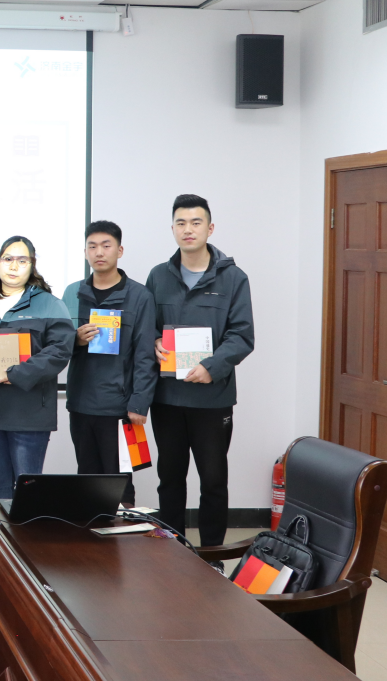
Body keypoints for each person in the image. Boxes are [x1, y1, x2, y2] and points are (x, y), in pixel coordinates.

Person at [146, 194, 254, 547]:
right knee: (170, 478)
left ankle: (212, 556)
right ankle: (172, 552)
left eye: (196, 222)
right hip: (168, 398)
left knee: (213, 481)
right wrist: (153, 342)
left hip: (212, 398)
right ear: (172, 229)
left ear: (210, 228)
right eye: (181, 223)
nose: (188, 229)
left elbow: (242, 336)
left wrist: (211, 367)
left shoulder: (233, 278)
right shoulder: (158, 276)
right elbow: (148, 327)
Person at [61, 221, 158, 507]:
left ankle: (123, 534)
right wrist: (75, 340)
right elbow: (56, 345)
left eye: (106, 246)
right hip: (81, 404)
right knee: (87, 479)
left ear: (120, 250)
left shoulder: (140, 296)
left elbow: (145, 354)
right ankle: (90, 534)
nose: (99, 252)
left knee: (121, 481)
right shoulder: (72, 293)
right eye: (92, 246)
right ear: (85, 252)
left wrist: (139, 402)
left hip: (121, 407)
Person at [0, 236, 73, 502]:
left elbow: (59, 351)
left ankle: (26, 532)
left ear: (32, 265)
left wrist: (14, 373)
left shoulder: (51, 304)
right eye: (8, 259)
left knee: (28, 489)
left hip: (30, 413)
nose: (13, 266)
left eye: (22, 260)